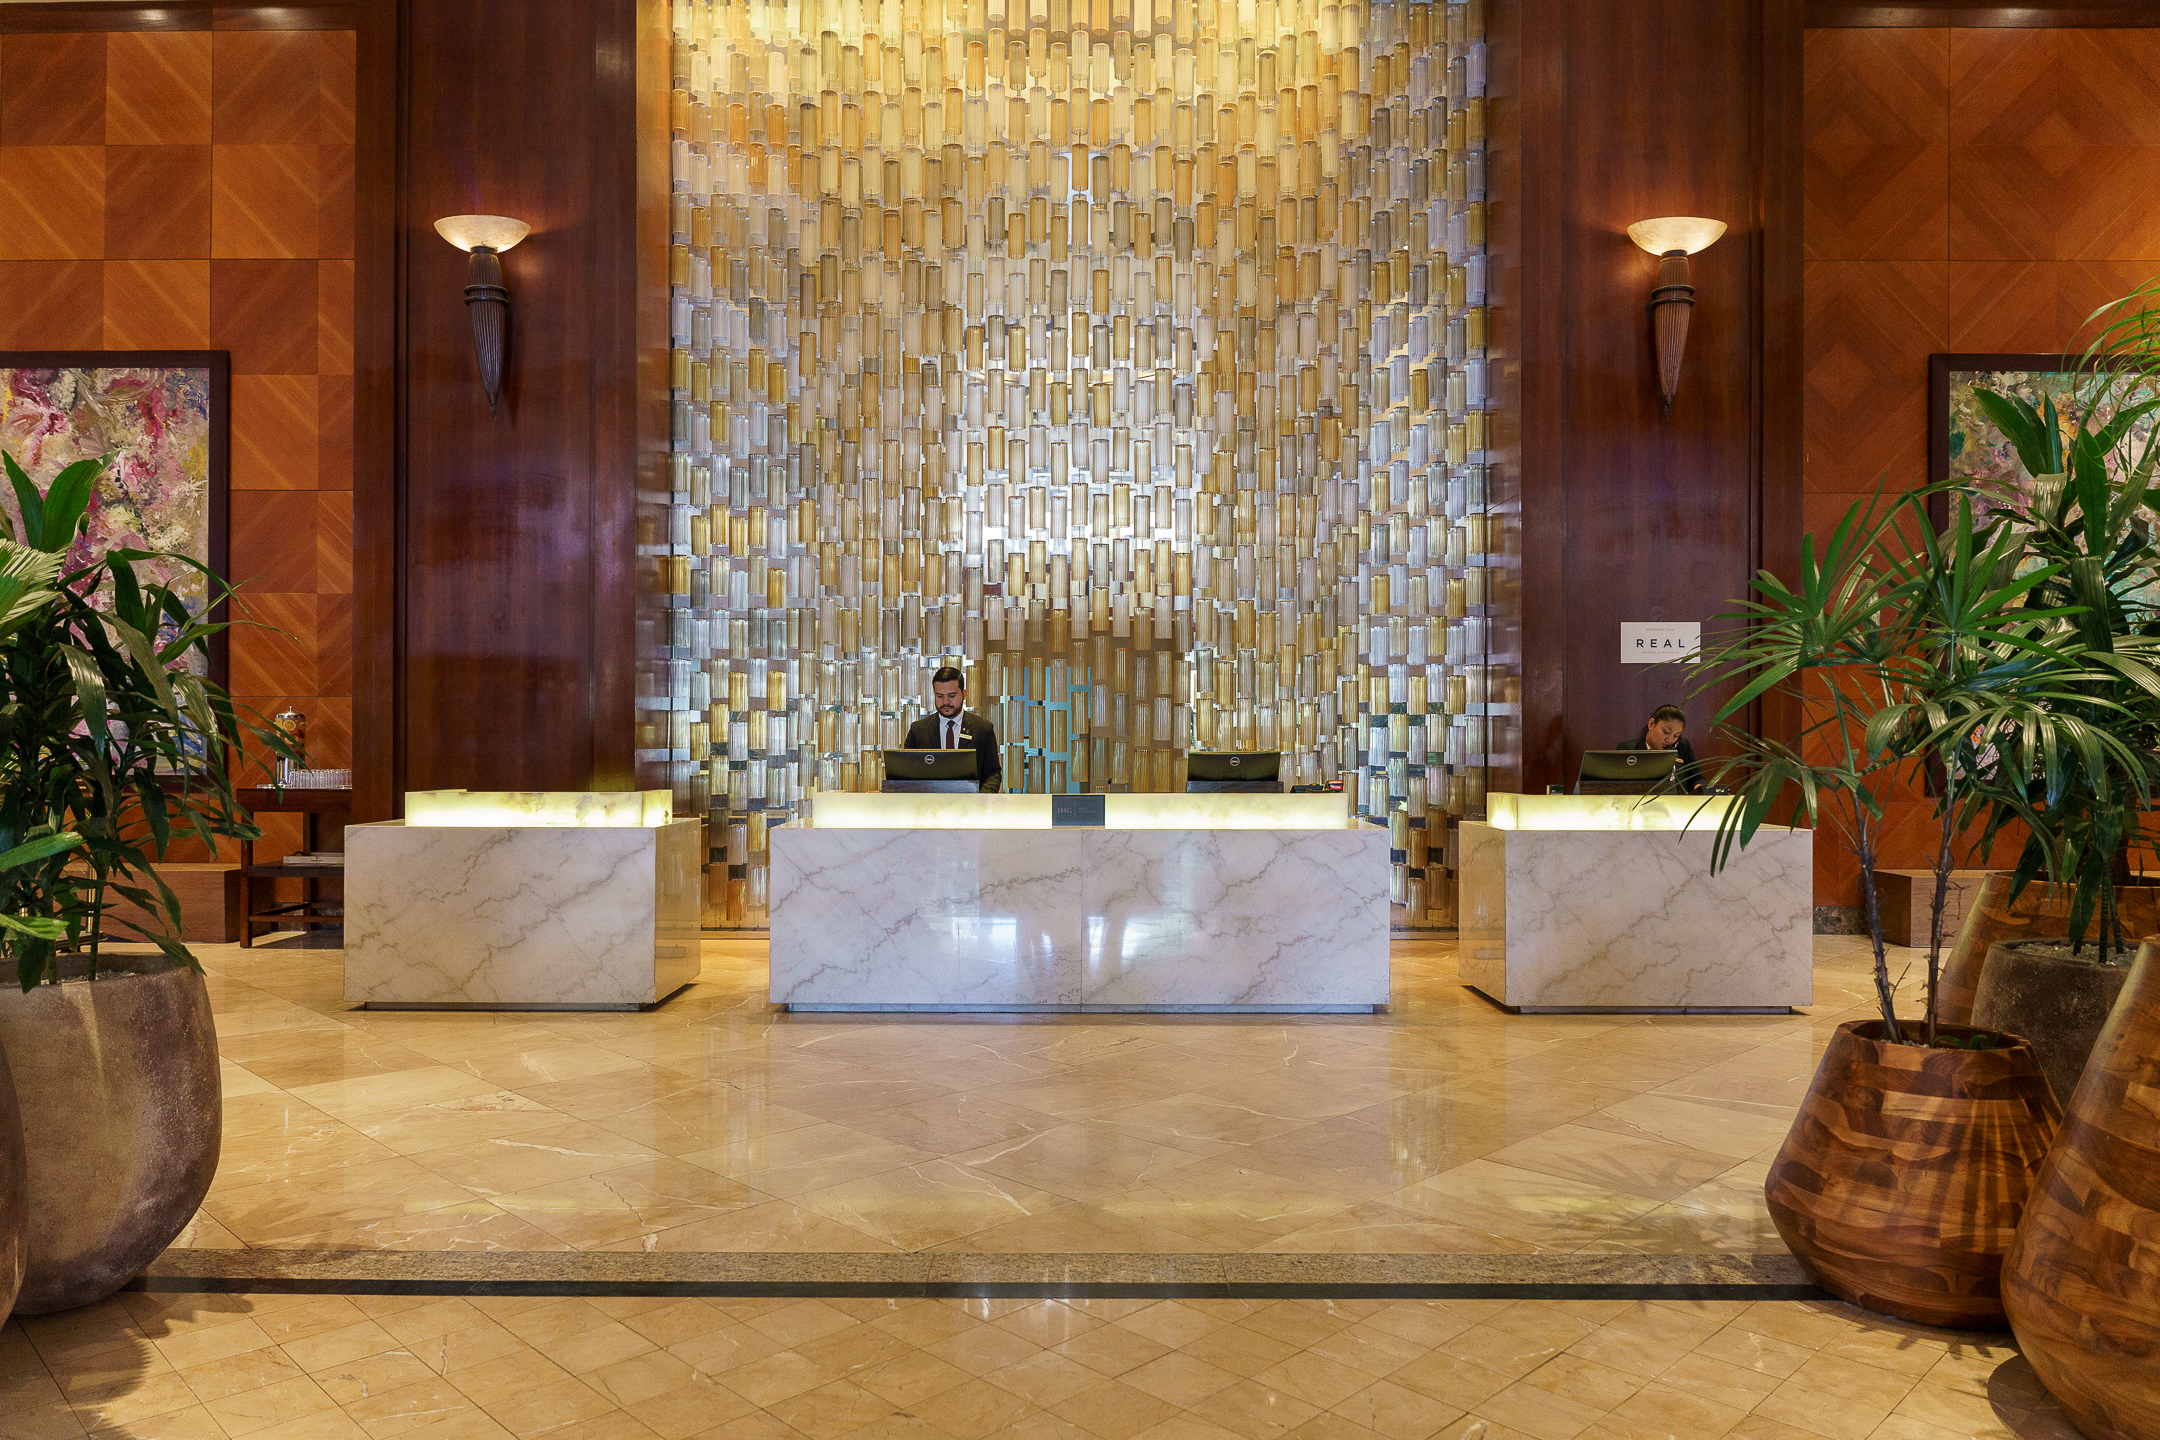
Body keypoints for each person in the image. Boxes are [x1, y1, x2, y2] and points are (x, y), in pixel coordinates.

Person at [903, 665, 1002, 792]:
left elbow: (993, 773)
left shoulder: (983, 729)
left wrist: (981, 799)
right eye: (940, 696)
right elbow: (906, 775)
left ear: (964, 694)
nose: (946, 702)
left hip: (972, 802)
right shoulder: (918, 730)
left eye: (952, 696)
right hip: (929, 803)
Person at [1618, 704, 1703, 792]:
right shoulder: (1628, 749)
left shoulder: (1682, 746)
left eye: (1676, 735)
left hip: (1676, 800)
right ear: (1651, 724)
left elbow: (1698, 778)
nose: (1669, 740)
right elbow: (1617, 786)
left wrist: (1700, 787)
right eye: (1666, 732)